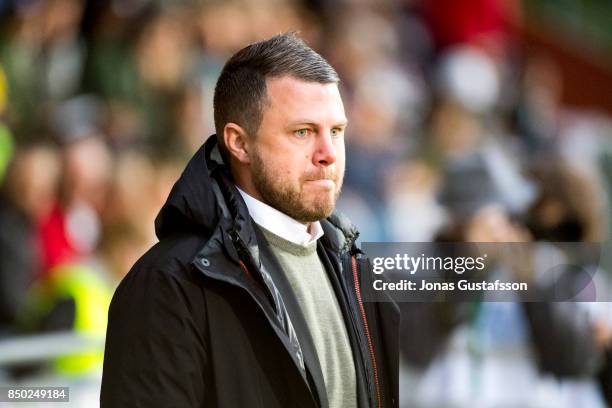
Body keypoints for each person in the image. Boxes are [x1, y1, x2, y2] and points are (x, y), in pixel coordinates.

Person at [101, 33, 399, 408]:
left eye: (336, 131)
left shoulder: (355, 267)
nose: (328, 154)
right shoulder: (168, 285)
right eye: (303, 132)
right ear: (239, 143)